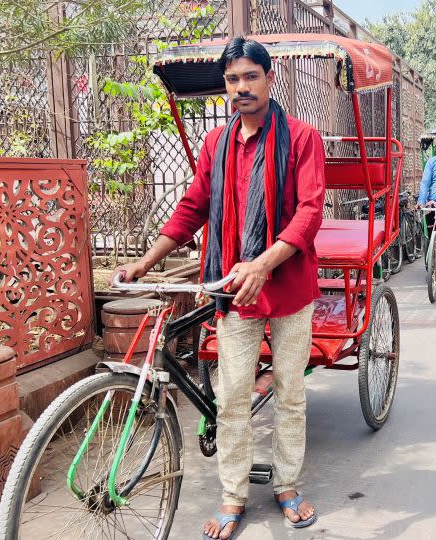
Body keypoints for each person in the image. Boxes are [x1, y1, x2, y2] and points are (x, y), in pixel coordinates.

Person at [113, 37, 323, 539]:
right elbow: (192, 208)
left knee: (290, 392)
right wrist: (146, 260)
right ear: (225, 87)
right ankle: (233, 494)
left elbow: (310, 212)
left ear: (269, 79)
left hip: (289, 287)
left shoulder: (300, 136)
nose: (241, 87)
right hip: (234, 290)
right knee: (230, 398)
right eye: (232, 79)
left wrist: (263, 264)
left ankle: (287, 484)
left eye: (251, 76)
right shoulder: (217, 143)